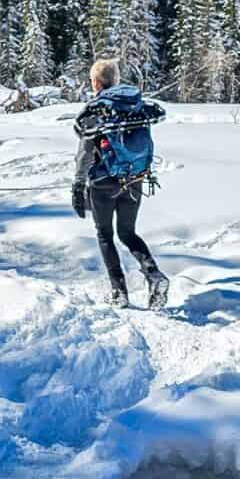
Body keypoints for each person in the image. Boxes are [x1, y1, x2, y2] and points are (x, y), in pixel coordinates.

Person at [71, 58, 170, 309]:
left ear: (95, 82)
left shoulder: (96, 110)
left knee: (105, 235)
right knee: (127, 233)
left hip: (103, 183)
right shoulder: (134, 105)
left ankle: (119, 292)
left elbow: (85, 154)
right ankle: (154, 275)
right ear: (114, 80)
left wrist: (78, 186)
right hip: (134, 179)